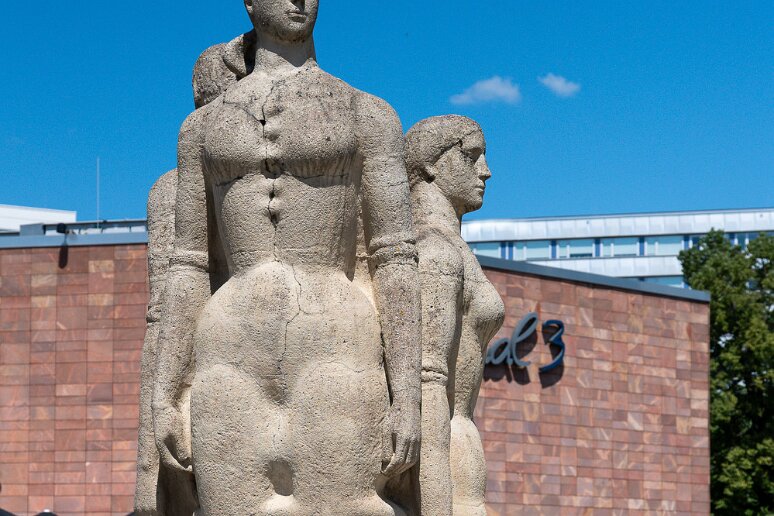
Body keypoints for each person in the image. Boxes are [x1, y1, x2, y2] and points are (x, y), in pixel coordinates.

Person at [150, 1, 422, 514]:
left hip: (337, 342)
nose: (300, 0)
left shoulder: (367, 113)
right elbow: (188, 265)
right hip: (227, 347)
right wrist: (164, 392)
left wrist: (407, 394)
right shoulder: (200, 129)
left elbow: (393, 258)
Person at [405, 116, 505, 516]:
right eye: (471, 156)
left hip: (459, 435)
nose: (485, 171)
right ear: (430, 164)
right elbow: (428, 382)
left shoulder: (456, 250)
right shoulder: (435, 250)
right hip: (443, 442)